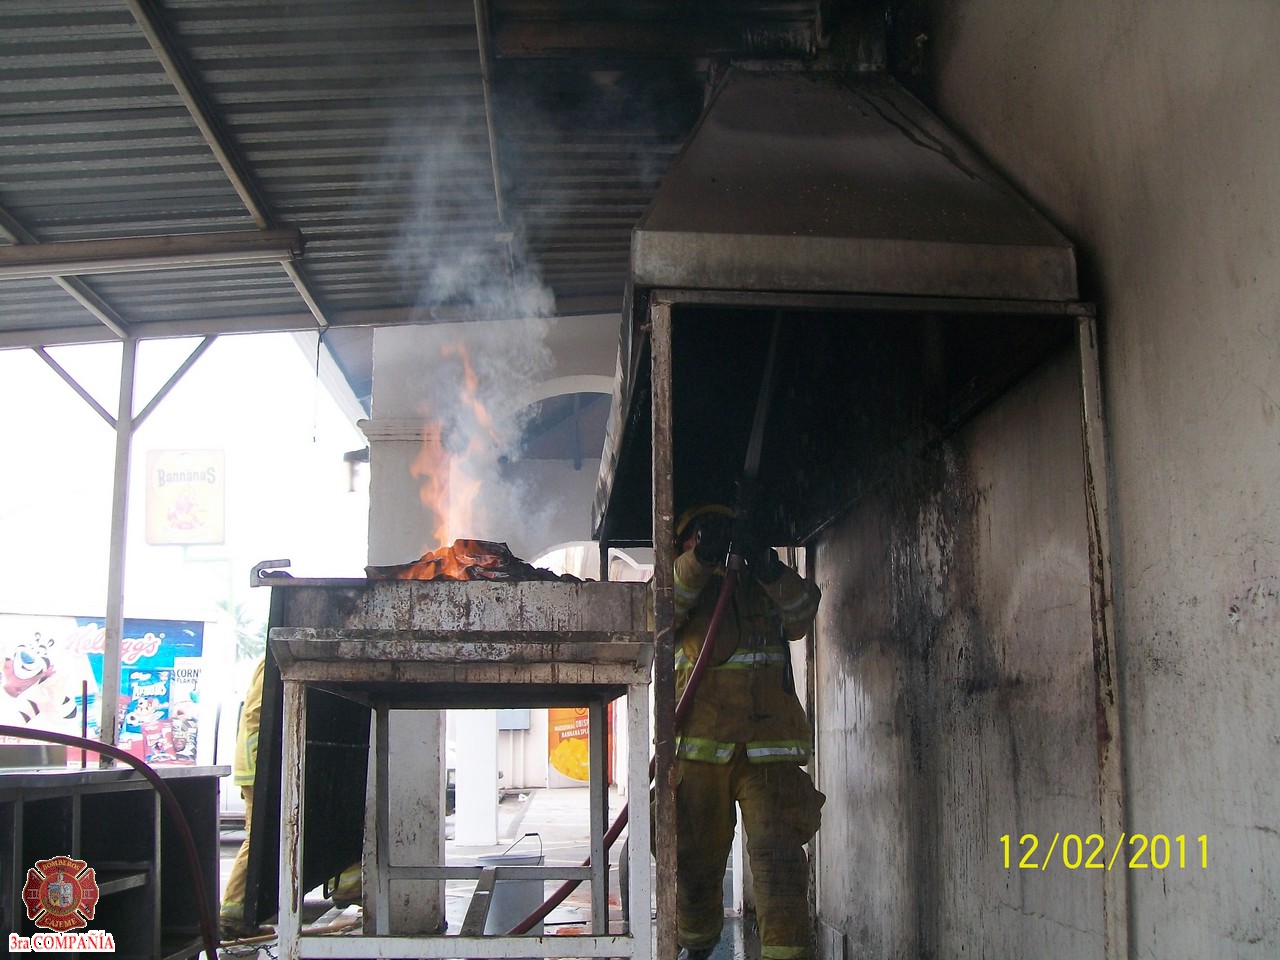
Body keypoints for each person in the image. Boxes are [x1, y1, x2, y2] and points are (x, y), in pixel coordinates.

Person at [671, 504, 826, 960]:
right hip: (699, 758)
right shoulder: (684, 585)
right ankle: (695, 951)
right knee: (695, 869)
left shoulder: (764, 583)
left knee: (780, 870)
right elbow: (654, 619)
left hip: (767, 757)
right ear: (686, 542)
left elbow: (802, 614)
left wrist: (767, 564)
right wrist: (698, 562)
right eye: (703, 537)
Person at [220, 656, 265, 941]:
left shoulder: (267, 662)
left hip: (257, 766)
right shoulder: (269, 664)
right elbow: (259, 714)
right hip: (258, 767)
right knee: (257, 839)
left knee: (263, 839)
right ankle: (232, 915)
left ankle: (242, 916)